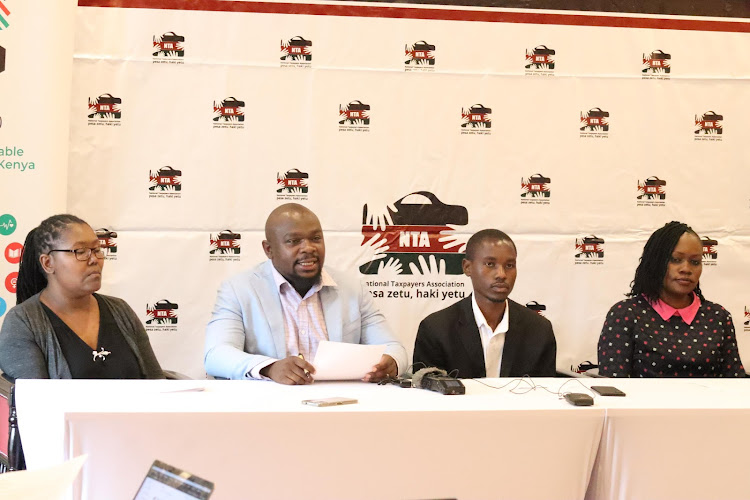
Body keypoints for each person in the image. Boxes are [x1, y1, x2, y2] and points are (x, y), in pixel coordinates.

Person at [204, 203, 407, 384]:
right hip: (267, 409)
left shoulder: (352, 289)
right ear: (269, 249)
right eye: (293, 241)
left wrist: (390, 363)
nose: (308, 248)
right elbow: (216, 355)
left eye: (316, 238)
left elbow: (393, 348)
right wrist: (270, 367)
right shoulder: (239, 290)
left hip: (342, 406)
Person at [0, 214, 163, 379]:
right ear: (48, 263)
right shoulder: (23, 322)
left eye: (97, 250)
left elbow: (157, 384)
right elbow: (34, 401)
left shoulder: (121, 310)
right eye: (80, 251)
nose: (94, 259)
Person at [598, 221, 744, 377]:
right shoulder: (625, 314)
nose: (686, 269)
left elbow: (736, 383)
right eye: (676, 260)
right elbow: (613, 389)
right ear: (656, 262)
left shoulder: (718, 317)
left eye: (695, 262)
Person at [413, 229, 556, 378]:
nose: (501, 274)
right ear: (467, 268)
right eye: (490, 264)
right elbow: (427, 396)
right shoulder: (436, 330)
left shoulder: (539, 330)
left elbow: (543, 395)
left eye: (509, 265)